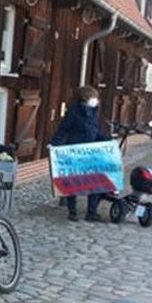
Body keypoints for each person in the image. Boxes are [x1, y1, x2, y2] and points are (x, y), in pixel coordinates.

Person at [49, 86, 112, 221]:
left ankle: (91, 212)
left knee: (95, 180)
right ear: (86, 99)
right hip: (75, 149)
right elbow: (63, 130)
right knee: (74, 181)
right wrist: (54, 143)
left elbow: (94, 132)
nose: (96, 100)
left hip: (91, 150)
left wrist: (108, 140)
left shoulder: (93, 113)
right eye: (94, 98)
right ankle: (72, 211)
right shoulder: (74, 113)